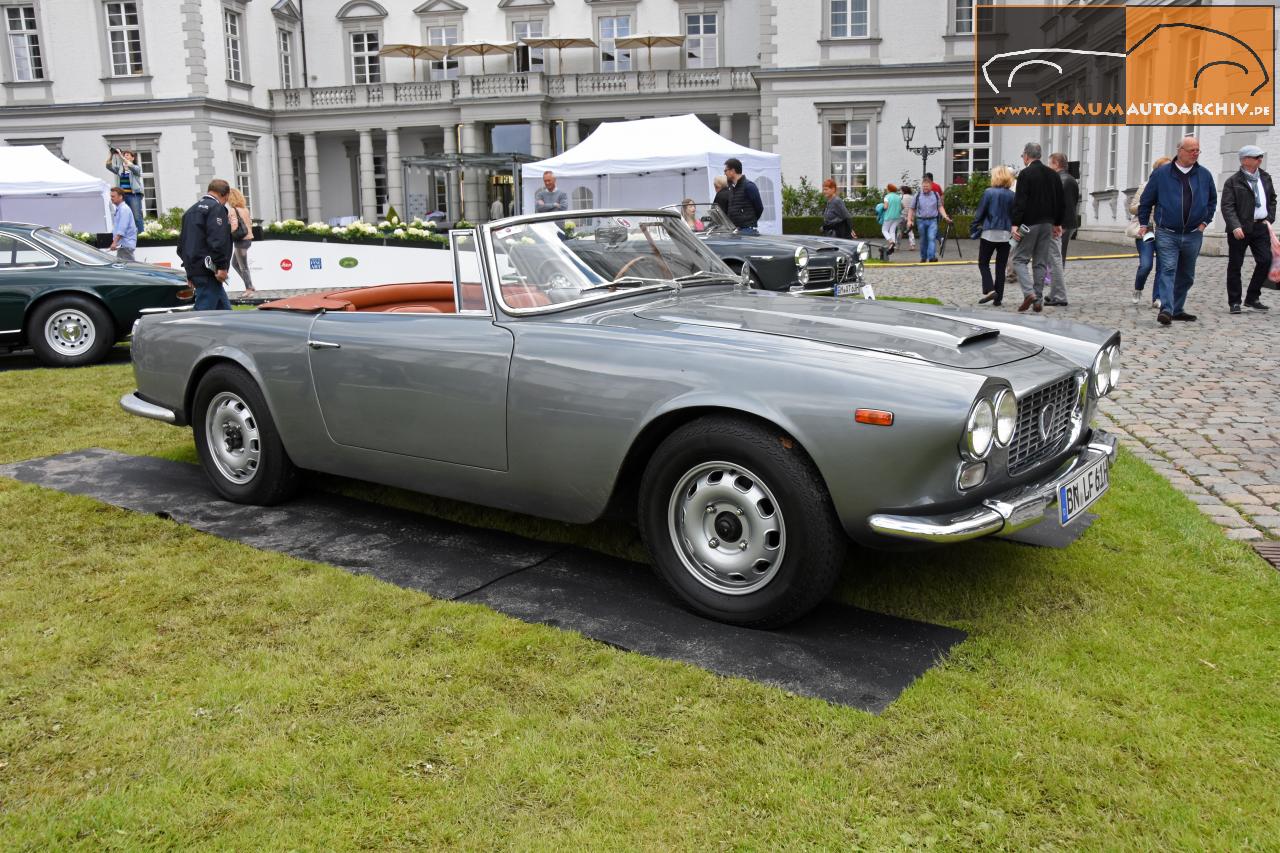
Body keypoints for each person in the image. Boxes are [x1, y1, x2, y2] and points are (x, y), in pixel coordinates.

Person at [1137, 136, 1217, 326]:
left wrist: (1205, 222)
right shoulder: (1161, 174)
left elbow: (1212, 201)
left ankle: (1177, 308)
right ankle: (1166, 308)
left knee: (1187, 274)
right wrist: (1143, 224)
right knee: (1168, 269)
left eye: (1198, 150)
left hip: (1193, 233)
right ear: (1179, 151)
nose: (1195, 153)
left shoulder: (1204, 175)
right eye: (1191, 150)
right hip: (1167, 232)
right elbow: (1146, 201)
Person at [1220, 144, 1276, 314]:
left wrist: (1269, 218)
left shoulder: (1265, 177)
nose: (1260, 159)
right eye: (1256, 157)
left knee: (1266, 261)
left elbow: (1272, 199)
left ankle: (1252, 298)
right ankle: (1234, 302)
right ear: (1245, 160)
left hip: (1260, 227)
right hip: (1240, 229)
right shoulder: (1233, 181)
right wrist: (1235, 226)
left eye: (1261, 157)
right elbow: (1227, 206)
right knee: (1236, 264)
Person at [1009, 142, 1065, 312]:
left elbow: (1020, 201)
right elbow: (1059, 201)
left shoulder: (1025, 174)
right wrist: (1057, 223)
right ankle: (1038, 299)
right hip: (1047, 223)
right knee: (1040, 262)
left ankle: (1029, 293)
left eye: (1022, 156)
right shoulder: (1052, 174)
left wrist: (1015, 224)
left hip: (1029, 223)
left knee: (1019, 259)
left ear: (1027, 155)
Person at [178, 179, 234, 311]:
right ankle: (190, 332)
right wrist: (222, 266)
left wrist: (190, 271)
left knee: (225, 313)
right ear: (225, 195)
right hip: (209, 270)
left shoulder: (190, 211)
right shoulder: (216, 209)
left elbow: (182, 245)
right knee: (203, 313)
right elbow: (217, 240)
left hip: (196, 267)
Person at [1127, 156, 1171, 307]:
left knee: (1163, 266)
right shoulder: (1146, 186)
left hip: (1165, 230)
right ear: (1157, 170)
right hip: (1147, 230)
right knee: (1146, 265)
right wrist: (1148, 204)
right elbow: (1132, 208)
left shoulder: (1173, 188)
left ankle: (1157, 298)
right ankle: (1138, 288)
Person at [971, 165, 1015, 307]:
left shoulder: (988, 193)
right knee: (1001, 266)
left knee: (983, 263)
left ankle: (990, 289)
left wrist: (974, 226)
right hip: (1006, 234)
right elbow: (1015, 214)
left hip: (989, 231)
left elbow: (980, 212)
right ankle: (998, 298)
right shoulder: (1012, 195)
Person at [1043, 152, 1080, 306]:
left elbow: (1056, 205)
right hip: (1070, 223)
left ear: (1056, 164)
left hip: (1060, 225)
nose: (1048, 167)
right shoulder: (1072, 180)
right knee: (1057, 258)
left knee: (1055, 260)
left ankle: (1059, 295)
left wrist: (1054, 224)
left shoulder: (1058, 180)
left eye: (1050, 164)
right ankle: (1054, 293)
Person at [905, 178, 951, 262]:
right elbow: (911, 209)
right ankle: (923, 257)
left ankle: (931, 257)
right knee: (923, 239)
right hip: (921, 220)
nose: (925, 188)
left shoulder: (936, 195)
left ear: (931, 186)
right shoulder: (918, 195)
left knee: (931, 237)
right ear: (922, 186)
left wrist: (945, 217)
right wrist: (909, 220)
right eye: (924, 186)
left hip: (933, 220)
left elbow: (940, 207)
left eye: (927, 186)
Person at [104, 148, 144, 230]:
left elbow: (130, 165)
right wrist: (112, 154)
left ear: (133, 158)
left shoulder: (136, 168)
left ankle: (141, 235)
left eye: (128, 155)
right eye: (124, 155)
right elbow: (108, 166)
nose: (125, 156)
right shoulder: (120, 169)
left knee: (136, 217)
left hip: (134, 195)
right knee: (123, 217)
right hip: (122, 197)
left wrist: (121, 156)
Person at [225, 187, 255, 294]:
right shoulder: (245, 209)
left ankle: (249, 289)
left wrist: (227, 230)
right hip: (248, 239)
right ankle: (250, 285)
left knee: (243, 266)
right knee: (235, 263)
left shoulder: (233, 210)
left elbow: (234, 226)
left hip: (240, 240)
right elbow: (250, 224)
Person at [723, 158, 763, 235]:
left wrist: (749, 222)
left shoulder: (749, 186)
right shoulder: (731, 187)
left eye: (725, 170)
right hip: (736, 230)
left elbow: (759, 208)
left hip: (747, 230)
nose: (724, 173)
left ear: (733, 171)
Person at [107, 187, 137, 263]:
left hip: (125, 245)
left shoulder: (124, 209)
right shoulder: (121, 209)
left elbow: (122, 228)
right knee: (126, 268)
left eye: (113, 196)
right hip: (124, 245)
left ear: (120, 197)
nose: (111, 198)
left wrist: (114, 242)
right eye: (111, 196)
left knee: (127, 269)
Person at [881, 184, 902, 255]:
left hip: (889, 216)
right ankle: (892, 246)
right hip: (897, 216)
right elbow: (903, 206)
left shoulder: (887, 197)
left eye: (887, 189)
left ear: (889, 189)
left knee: (884, 230)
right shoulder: (898, 197)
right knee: (892, 230)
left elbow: (885, 207)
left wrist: (881, 207)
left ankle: (891, 242)